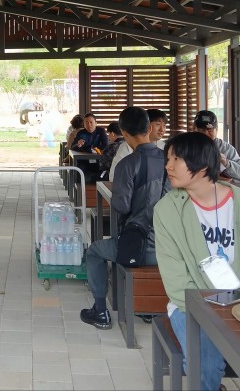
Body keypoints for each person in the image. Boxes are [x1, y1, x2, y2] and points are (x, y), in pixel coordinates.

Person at [154, 132, 239, 391]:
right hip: (189, 305)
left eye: (176, 159)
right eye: (168, 159)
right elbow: (176, 280)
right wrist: (215, 310)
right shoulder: (167, 210)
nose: (168, 166)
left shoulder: (236, 200)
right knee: (205, 362)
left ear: (202, 165)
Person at [80, 107, 166, 330]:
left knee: (94, 251)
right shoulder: (169, 160)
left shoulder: (127, 164)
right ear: (149, 128)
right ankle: (147, 307)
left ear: (124, 134)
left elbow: (121, 206)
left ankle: (100, 311)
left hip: (140, 248)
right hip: (169, 247)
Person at [109, 108, 168, 181]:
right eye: (158, 124)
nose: (162, 129)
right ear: (148, 126)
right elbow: (113, 176)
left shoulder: (165, 147)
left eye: (164, 125)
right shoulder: (126, 147)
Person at [193, 110, 240, 181]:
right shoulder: (186, 147)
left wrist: (226, 162)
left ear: (216, 129)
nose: (205, 133)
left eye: (210, 130)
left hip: (223, 187)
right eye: (201, 130)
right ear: (194, 129)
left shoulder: (226, 149)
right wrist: (211, 177)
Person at [70, 113, 108, 182]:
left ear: (95, 123)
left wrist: (90, 148)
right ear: (84, 124)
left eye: (91, 122)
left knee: (103, 174)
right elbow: (73, 147)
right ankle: (79, 187)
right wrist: (78, 145)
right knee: (78, 173)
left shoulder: (101, 131)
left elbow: (105, 145)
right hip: (84, 161)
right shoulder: (81, 132)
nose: (89, 125)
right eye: (86, 122)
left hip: (98, 161)